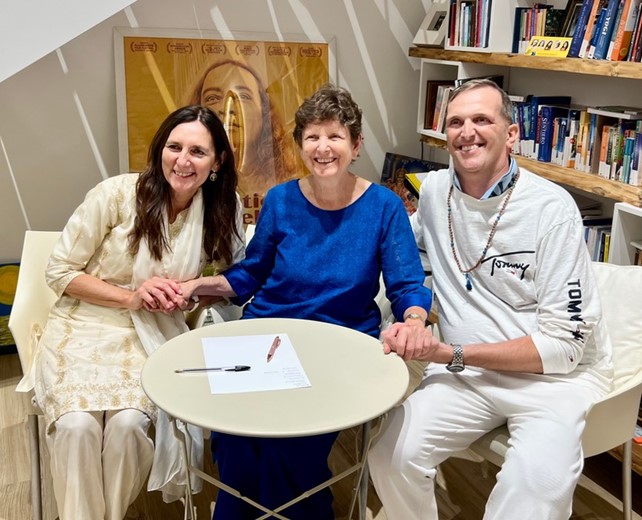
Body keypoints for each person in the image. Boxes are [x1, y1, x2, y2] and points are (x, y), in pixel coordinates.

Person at [179, 83, 433, 519]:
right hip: (265, 334)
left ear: (355, 145)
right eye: (312, 136)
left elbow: (407, 284)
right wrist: (197, 286)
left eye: (335, 136)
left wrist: (413, 319)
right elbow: (252, 273)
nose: (323, 147)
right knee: (235, 437)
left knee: (289, 444)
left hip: (339, 346)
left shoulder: (384, 208)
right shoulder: (280, 201)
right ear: (300, 145)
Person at [368, 78, 614, 519]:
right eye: (456, 122)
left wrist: (448, 351)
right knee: (389, 456)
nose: (467, 132)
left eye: (482, 119)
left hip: (551, 382)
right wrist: (413, 313)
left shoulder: (551, 210)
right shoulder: (435, 193)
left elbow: (565, 347)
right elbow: (401, 252)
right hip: (469, 377)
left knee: (536, 487)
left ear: (512, 133)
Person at [24, 105, 244, 520]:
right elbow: (59, 272)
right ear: (160, 148)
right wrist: (132, 297)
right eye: (174, 146)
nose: (182, 160)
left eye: (198, 152)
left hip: (156, 333)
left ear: (217, 161)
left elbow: (235, 278)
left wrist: (193, 292)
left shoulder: (222, 207)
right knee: (77, 427)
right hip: (84, 323)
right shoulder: (116, 194)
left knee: (127, 428)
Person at [185, 59, 300, 203]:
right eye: (213, 98)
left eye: (244, 96)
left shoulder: (289, 189)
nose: (228, 107)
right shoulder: (183, 182)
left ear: (264, 111)